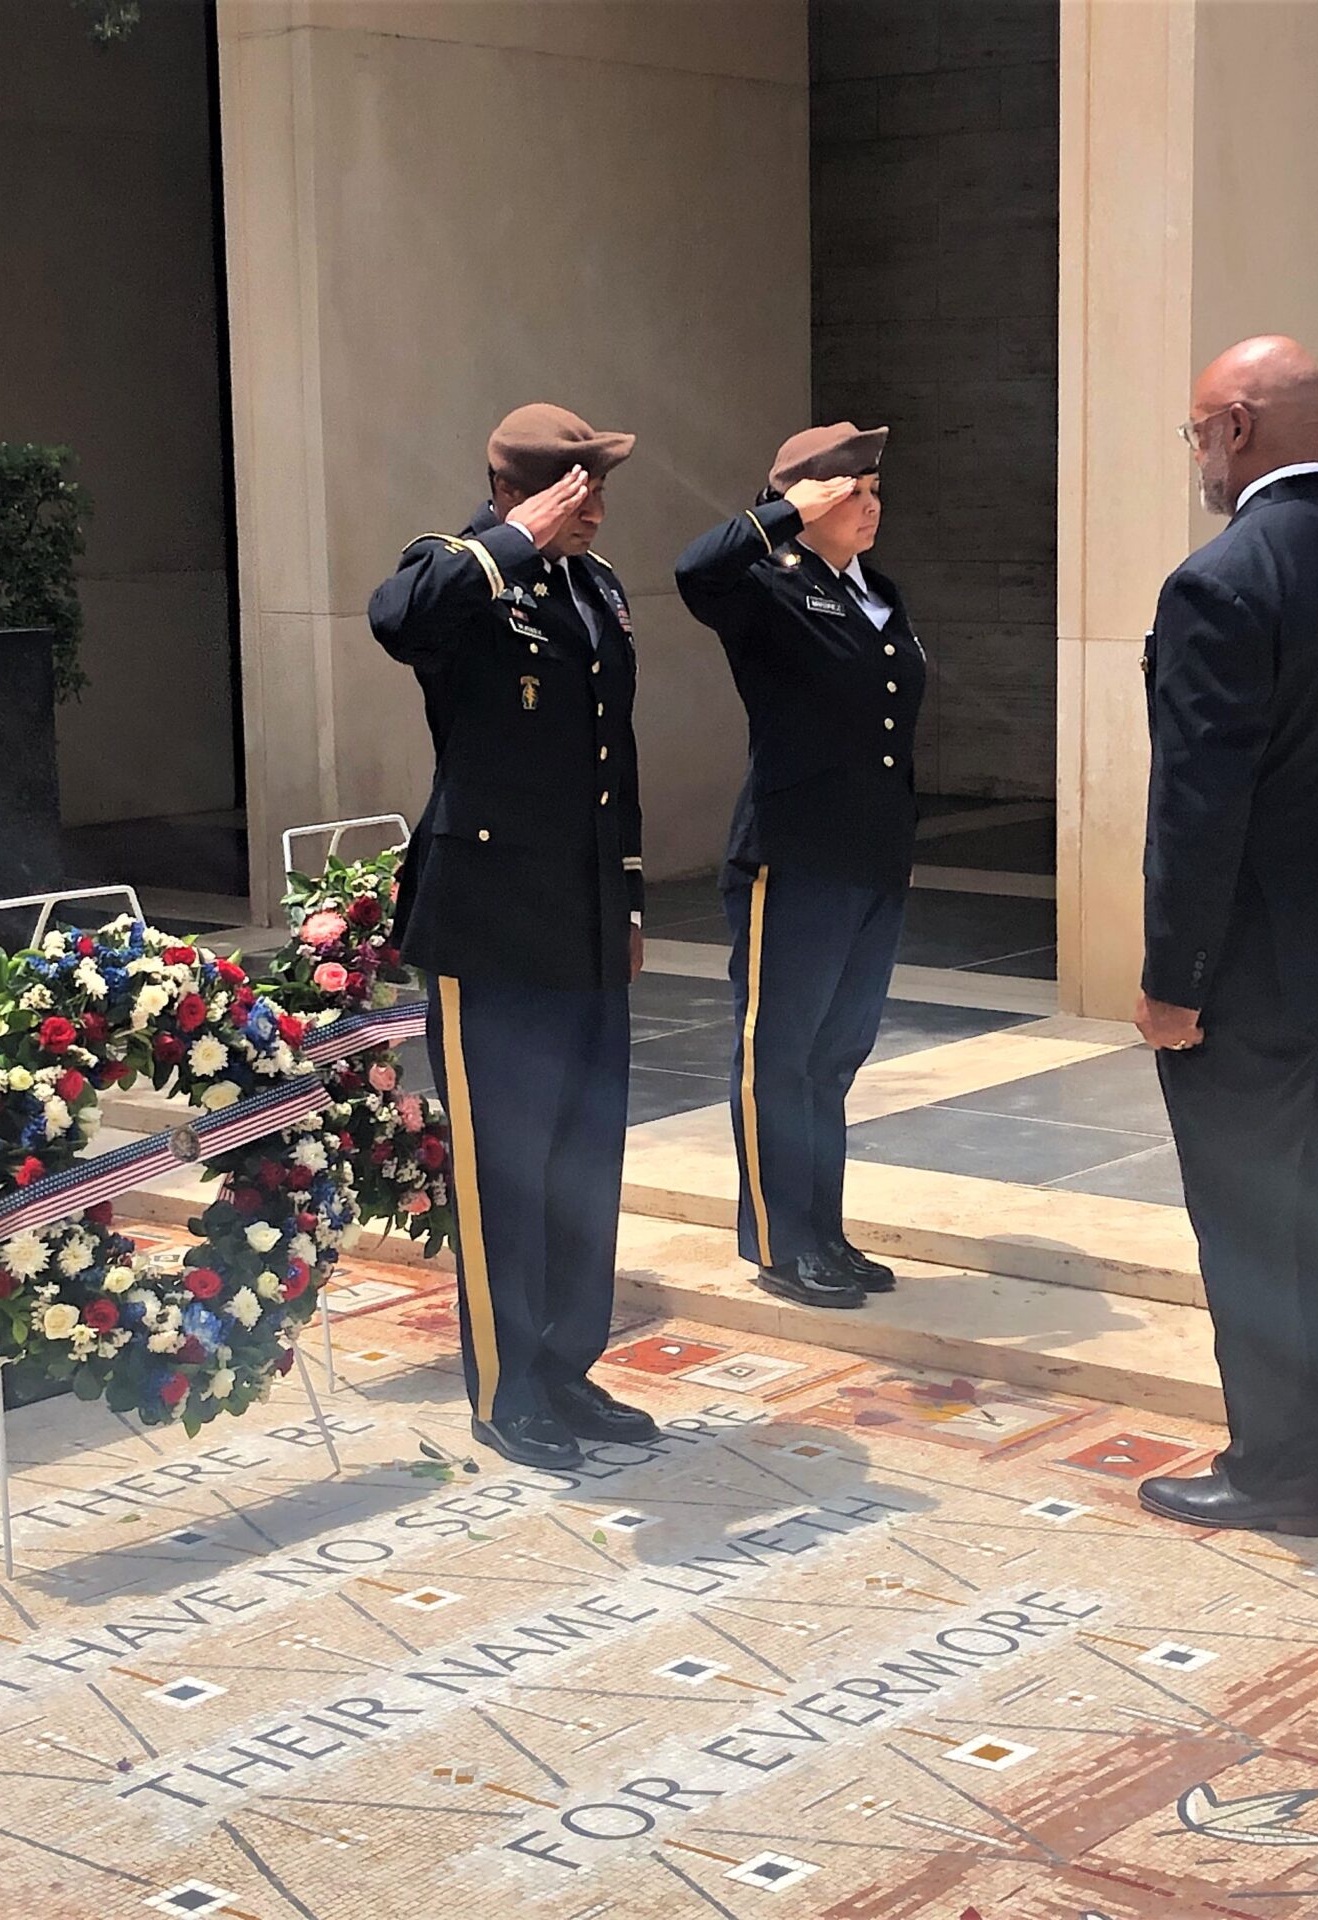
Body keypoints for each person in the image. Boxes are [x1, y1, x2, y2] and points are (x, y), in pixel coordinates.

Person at [1130, 337, 1318, 1539]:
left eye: (1197, 432)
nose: (1197, 456)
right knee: (1308, 1204)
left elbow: (1196, 805)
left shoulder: (1219, 582)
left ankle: (1281, 1471)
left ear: (1238, 427)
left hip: (1243, 964)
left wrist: (1174, 979)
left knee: (1250, 1220)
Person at [366, 402, 657, 1471]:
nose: (595, 513)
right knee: (506, 1164)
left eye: (598, 493)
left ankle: (568, 1365)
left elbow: (613, 754)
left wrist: (629, 898)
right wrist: (512, 539)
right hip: (490, 925)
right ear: (511, 492)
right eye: (574, 496)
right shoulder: (458, 569)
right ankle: (505, 1385)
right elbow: (398, 621)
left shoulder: (598, 588)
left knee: (583, 1155)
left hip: (584, 916)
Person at [675, 423, 926, 1310]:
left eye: (874, 489)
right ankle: (782, 1243)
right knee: (778, 1055)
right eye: (850, 491)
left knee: (834, 1057)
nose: (870, 504)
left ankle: (824, 1231)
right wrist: (779, 514)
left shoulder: (878, 593)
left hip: (872, 860)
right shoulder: (767, 587)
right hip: (794, 857)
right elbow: (694, 572)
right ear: (807, 500)